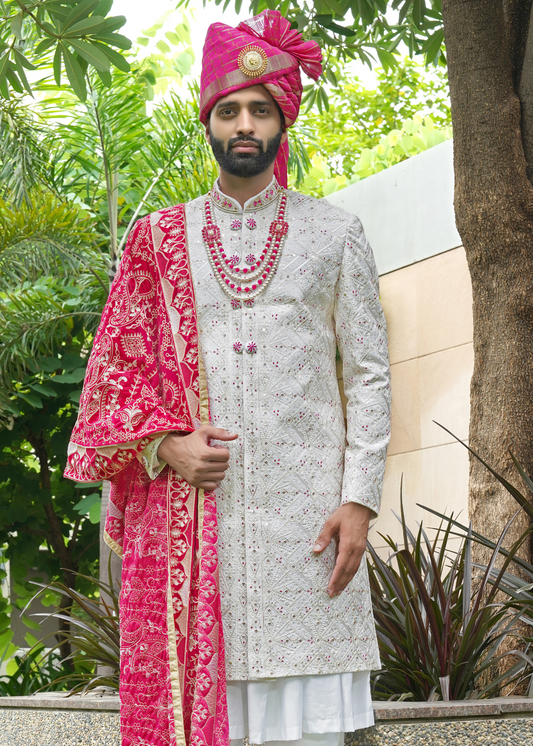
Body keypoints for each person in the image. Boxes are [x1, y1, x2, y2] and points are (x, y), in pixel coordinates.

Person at [65, 10, 391, 746]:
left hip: (309, 531)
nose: (245, 123)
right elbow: (112, 378)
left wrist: (359, 501)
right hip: (193, 530)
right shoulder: (156, 240)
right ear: (209, 122)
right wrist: (162, 447)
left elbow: (369, 375)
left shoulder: (336, 233)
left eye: (261, 109)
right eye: (229, 110)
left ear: (284, 121)